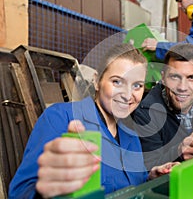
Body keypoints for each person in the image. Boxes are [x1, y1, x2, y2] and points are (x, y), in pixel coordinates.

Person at [9, 43, 179, 199]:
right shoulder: (60, 118)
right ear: (97, 81)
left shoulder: (131, 134)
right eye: (117, 82)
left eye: (137, 85)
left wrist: (150, 178)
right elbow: (19, 193)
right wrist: (45, 191)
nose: (128, 95)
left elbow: (133, 185)